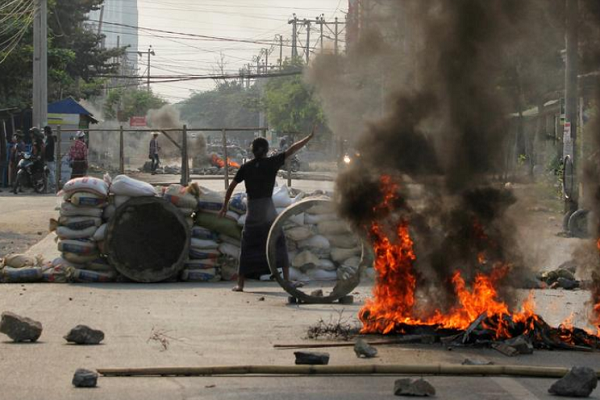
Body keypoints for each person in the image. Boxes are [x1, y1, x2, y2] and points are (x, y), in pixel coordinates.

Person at [219, 126, 316, 292]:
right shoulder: (272, 163)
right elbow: (292, 149)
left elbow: (231, 187)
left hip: (253, 211)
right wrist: (308, 137)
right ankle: (286, 280)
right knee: (278, 243)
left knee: (248, 246)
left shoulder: (246, 167)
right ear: (266, 150)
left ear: (252, 151)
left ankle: (240, 284)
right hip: (268, 210)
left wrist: (224, 206)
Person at [44, 126, 56, 193]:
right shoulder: (48, 138)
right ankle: (50, 187)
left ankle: (53, 187)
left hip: (50, 158)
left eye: (44, 131)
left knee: (51, 172)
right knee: (48, 173)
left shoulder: (50, 138)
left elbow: (47, 147)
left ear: (46, 131)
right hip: (48, 158)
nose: (44, 133)